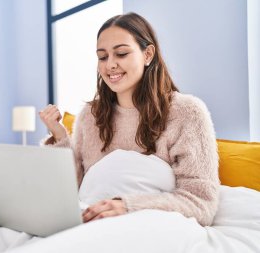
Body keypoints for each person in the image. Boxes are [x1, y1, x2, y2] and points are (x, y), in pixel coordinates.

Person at [39, 12, 219, 227]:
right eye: (103, 57)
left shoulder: (186, 112)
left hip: (146, 227)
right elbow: (73, 189)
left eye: (122, 54)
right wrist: (59, 135)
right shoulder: (90, 115)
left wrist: (127, 206)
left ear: (148, 54)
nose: (110, 65)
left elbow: (201, 203)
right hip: (88, 222)